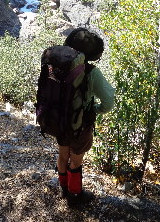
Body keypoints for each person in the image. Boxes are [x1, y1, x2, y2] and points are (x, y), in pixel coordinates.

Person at [56, 28, 115, 206]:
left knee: (62, 154)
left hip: (59, 119)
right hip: (80, 124)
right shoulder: (91, 73)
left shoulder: (58, 65)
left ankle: (64, 189)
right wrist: (97, 109)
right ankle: (75, 195)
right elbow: (108, 100)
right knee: (76, 159)